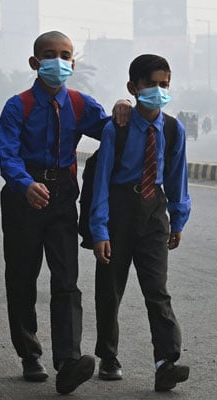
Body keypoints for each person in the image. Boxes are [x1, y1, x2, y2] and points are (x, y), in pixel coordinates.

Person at [0, 30, 131, 395]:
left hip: (62, 198)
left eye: (65, 55)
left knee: (66, 280)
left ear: (73, 62)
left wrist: (123, 106)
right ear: (34, 62)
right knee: (23, 278)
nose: (58, 61)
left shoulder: (79, 103)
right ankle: (29, 353)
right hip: (23, 197)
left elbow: (111, 130)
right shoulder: (17, 106)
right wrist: (25, 185)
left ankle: (68, 361)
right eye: (50, 54)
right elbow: (7, 156)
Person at [88, 54, 191, 392]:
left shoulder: (174, 129)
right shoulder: (115, 128)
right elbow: (101, 182)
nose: (158, 91)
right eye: (151, 84)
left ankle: (166, 361)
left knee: (157, 291)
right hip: (118, 210)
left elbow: (177, 179)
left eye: (164, 85)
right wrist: (99, 230)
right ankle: (109, 356)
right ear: (133, 87)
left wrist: (177, 220)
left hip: (153, 212)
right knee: (110, 289)